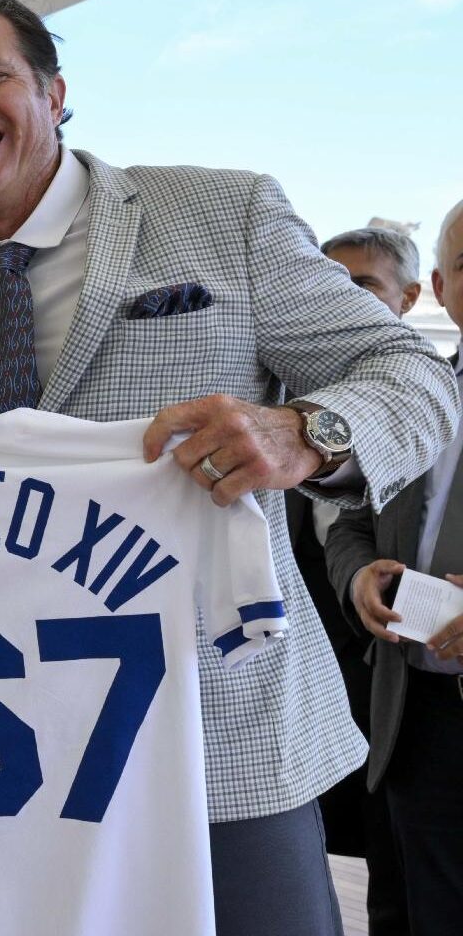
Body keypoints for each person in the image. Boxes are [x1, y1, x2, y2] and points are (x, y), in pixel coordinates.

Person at [0, 0, 459, 936]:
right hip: (11, 748)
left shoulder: (224, 214)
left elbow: (416, 377)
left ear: (55, 92)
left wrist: (308, 433)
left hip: (219, 730)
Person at [325, 198, 463, 936]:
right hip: (408, 717)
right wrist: (358, 575)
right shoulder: (416, 398)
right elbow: (353, 520)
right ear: (440, 288)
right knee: (401, 910)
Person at [290, 227, 422, 932]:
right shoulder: (273, 406)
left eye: (361, 284)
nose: (339, 298)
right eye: (325, 281)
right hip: (301, 685)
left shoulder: (425, 407)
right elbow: (345, 533)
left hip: (396, 685)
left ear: (410, 297)